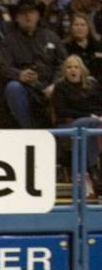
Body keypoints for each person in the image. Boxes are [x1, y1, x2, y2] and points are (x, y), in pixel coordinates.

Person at [0, 0, 66, 127]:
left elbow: (63, 63)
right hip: (26, 88)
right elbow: (2, 66)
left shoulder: (51, 37)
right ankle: (29, 131)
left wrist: (55, 84)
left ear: (38, 15)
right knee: (13, 87)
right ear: (17, 18)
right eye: (23, 13)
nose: (27, 16)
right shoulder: (9, 40)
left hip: (51, 86)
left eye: (31, 12)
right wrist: (19, 75)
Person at [52, 54, 102, 182]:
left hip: (93, 121)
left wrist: (95, 115)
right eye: (69, 67)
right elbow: (62, 111)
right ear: (64, 71)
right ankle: (92, 168)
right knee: (88, 123)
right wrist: (89, 115)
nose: (73, 70)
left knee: (91, 125)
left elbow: (98, 105)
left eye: (76, 67)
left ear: (81, 69)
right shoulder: (60, 87)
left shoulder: (92, 85)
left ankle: (85, 171)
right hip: (68, 124)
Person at [62, 12, 102, 80]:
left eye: (83, 25)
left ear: (89, 27)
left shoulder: (99, 46)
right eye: (76, 25)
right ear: (71, 28)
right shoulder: (64, 47)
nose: (79, 28)